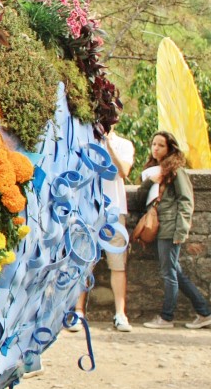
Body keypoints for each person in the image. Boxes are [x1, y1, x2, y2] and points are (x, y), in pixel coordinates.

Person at [138, 131, 211, 330]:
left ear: (170, 148)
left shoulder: (176, 171)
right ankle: (204, 312)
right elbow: (140, 197)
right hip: (158, 226)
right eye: (154, 144)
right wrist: (149, 181)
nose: (156, 148)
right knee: (175, 272)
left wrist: (181, 230)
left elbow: (186, 201)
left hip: (169, 228)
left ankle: (167, 317)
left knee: (168, 273)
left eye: (161, 145)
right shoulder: (154, 171)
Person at [67, 127, 135, 332]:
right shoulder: (86, 141)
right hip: (88, 210)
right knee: (84, 263)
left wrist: (109, 147)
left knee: (117, 264)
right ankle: (78, 311)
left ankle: (120, 314)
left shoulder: (124, 144)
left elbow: (123, 171)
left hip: (114, 210)